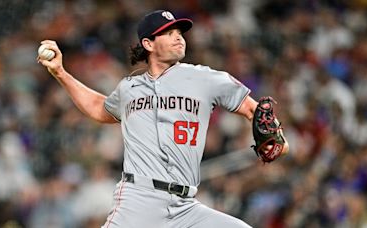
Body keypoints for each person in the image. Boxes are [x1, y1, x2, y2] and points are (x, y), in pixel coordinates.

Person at [38, 9, 289, 228]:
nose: (178, 36)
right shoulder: (129, 88)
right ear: (148, 43)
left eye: (179, 31)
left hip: (185, 207)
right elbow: (98, 107)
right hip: (138, 200)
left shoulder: (207, 79)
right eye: (168, 33)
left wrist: (279, 137)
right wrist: (60, 72)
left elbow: (254, 110)